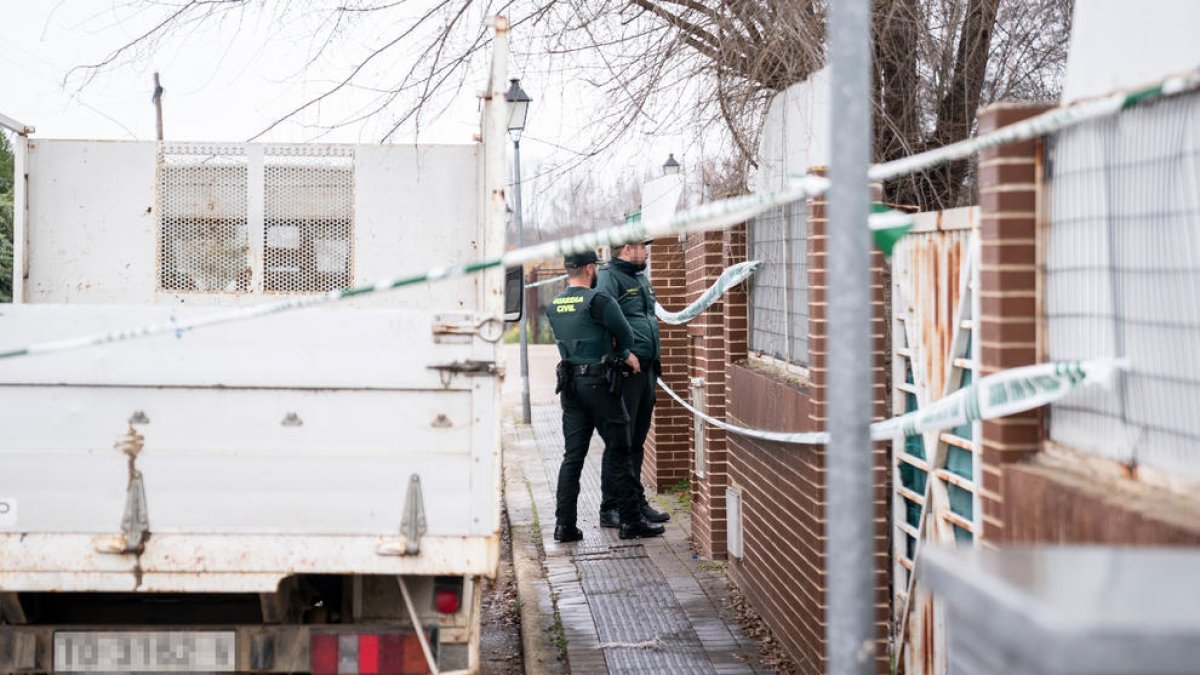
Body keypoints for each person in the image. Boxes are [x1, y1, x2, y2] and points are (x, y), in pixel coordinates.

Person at [546, 250, 666, 543]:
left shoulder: (554, 304)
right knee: (620, 448)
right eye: (595, 267)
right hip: (601, 383)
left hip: (570, 384)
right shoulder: (599, 300)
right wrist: (621, 351)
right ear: (589, 269)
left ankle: (565, 526)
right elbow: (626, 335)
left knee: (572, 457)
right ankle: (629, 521)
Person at [595, 239, 671, 529]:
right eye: (642, 246)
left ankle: (634, 501)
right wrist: (624, 354)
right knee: (620, 442)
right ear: (627, 249)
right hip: (627, 372)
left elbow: (646, 317)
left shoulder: (639, 277)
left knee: (637, 441)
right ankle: (611, 507)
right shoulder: (608, 278)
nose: (647, 251)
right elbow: (600, 320)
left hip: (647, 369)